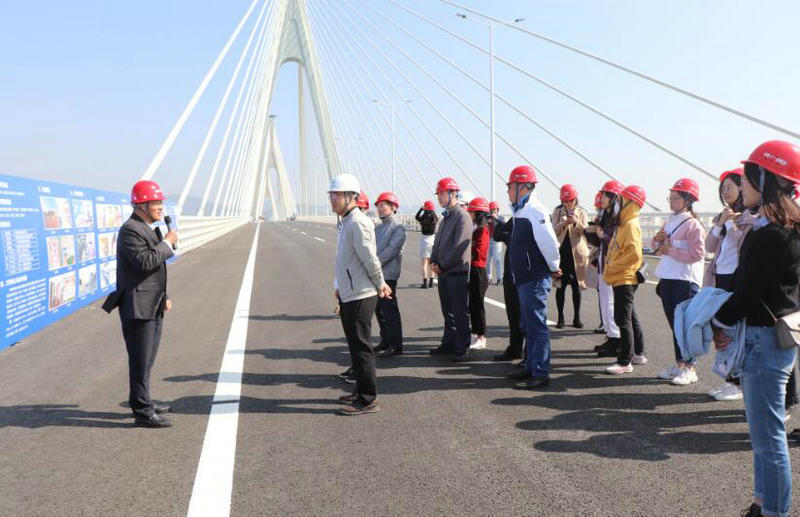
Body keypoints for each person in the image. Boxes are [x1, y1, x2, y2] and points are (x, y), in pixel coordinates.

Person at [712, 140, 800, 517]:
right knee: (764, 435)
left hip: (764, 340)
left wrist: (717, 321)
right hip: (774, 337)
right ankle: (763, 502)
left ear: (765, 181)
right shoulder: (784, 229)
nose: (742, 186)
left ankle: (774, 511)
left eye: (747, 179)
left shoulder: (771, 235)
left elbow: (746, 292)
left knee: (768, 438)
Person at [101, 180, 178, 428]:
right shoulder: (130, 230)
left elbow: (155, 269)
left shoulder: (147, 228)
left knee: (147, 358)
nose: (160, 207)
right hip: (138, 305)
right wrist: (167, 242)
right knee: (140, 359)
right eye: (155, 203)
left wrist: (164, 295)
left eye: (161, 202)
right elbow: (145, 261)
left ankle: (144, 400)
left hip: (153, 302)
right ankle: (142, 411)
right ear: (141, 205)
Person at [328, 174, 392, 416]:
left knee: (362, 347)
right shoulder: (347, 221)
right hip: (349, 292)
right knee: (354, 346)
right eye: (331, 195)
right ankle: (360, 390)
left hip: (361, 294)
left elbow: (369, 258)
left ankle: (368, 399)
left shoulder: (357, 222)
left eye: (336, 195)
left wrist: (380, 283)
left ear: (351, 197)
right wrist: (340, 285)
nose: (332, 199)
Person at [505, 165, 560, 390]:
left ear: (523, 187)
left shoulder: (535, 211)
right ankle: (530, 365)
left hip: (534, 278)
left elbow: (549, 243)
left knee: (537, 327)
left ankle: (540, 372)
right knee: (527, 325)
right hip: (524, 278)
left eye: (510, 187)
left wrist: (554, 266)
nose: (508, 191)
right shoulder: (520, 211)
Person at [704, 168, 754, 401]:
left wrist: (731, 224)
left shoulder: (749, 216)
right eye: (722, 187)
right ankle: (729, 378)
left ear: (742, 188)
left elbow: (742, 245)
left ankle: (737, 383)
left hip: (736, 278)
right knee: (722, 330)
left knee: (735, 331)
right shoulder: (722, 216)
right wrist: (720, 223)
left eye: (730, 186)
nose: (725, 191)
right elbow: (709, 246)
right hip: (719, 277)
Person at [653, 178, 706, 386]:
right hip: (668, 277)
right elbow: (656, 246)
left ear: (688, 200)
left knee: (684, 326)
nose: (671, 201)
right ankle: (679, 364)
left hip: (685, 280)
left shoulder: (693, 225)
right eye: (670, 198)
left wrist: (670, 250)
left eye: (675, 198)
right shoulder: (669, 221)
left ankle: (690, 367)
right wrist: (657, 240)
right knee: (675, 326)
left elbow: (697, 254)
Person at [602, 185, 647, 375]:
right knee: (629, 316)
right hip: (622, 276)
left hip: (625, 277)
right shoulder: (625, 223)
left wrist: (613, 266)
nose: (617, 204)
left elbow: (634, 254)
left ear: (630, 203)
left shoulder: (630, 225)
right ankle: (638, 353)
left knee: (623, 319)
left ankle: (624, 361)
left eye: (621, 200)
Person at [429, 177, 474, 362]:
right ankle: (448, 343)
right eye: (438, 194)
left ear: (453, 194)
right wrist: (433, 260)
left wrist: (442, 265)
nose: (439, 197)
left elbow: (459, 247)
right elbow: (437, 242)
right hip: (444, 273)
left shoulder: (462, 216)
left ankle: (462, 347)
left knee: (460, 312)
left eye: (442, 193)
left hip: (457, 273)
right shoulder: (446, 217)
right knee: (448, 312)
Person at [588, 181, 627, 359]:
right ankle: (611, 336)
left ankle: (616, 340)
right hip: (604, 263)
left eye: (604, 195)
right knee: (605, 302)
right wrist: (591, 232)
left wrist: (601, 235)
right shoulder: (607, 215)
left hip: (612, 266)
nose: (601, 198)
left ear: (613, 197)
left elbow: (616, 242)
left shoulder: (618, 217)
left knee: (610, 303)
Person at [551, 184, 590, 329]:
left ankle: (576, 318)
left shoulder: (582, 212)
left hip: (577, 255)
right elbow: (553, 231)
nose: (568, 204)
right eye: (565, 201)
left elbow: (585, 232)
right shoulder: (557, 211)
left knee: (576, 286)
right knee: (560, 286)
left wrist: (575, 222)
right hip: (561, 254)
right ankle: (560, 318)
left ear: (576, 199)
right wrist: (563, 223)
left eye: (571, 200)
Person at [374, 192, 407, 358]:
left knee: (390, 311)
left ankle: (396, 345)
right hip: (376, 274)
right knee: (379, 310)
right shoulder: (378, 228)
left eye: (383, 205)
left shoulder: (398, 227)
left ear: (393, 207)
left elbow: (392, 250)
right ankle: (385, 340)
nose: (379, 209)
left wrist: (373, 265)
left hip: (388, 275)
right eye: (378, 206)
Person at [492, 216, 525, 362]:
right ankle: (515, 349)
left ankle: (529, 355)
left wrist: (509, 235)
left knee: (525, 317)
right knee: (512, 314)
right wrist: (498, 222)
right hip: (510, 276)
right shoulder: (515, 217)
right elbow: (497, 235)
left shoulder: (531, 216)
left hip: (525, 276)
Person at [467, 197, 491, 350]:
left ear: (478, 213)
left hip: (478, 269)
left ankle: (481, 336)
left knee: (478, 304)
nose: (469, 214)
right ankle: (475, 333)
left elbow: (478, 251)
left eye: (472, 211)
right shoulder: (476, 228)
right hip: (474, 268)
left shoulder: (482, 230)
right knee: (473, 304)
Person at [415, 200, 438, 289]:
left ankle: (425, 283)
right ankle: (431, 282)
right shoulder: (434, 218)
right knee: (431, 263)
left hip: (424, 241)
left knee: (424, 264)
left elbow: (417, 217)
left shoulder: (423, 218)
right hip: (432, 240)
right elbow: (435, 217)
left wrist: (421, 209)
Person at [487, 201, 505, 285]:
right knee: (487, 260)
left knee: (497, 260)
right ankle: (488, 277)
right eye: (491, 210)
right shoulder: (487, 217)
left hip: (496, 241)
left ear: (497, 210)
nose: (492, 212)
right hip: (487, 240)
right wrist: (487, 221)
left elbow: (504, 225)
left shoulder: (500, 218)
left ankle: (499, 278)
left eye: (494, 210)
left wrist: (495, 219)